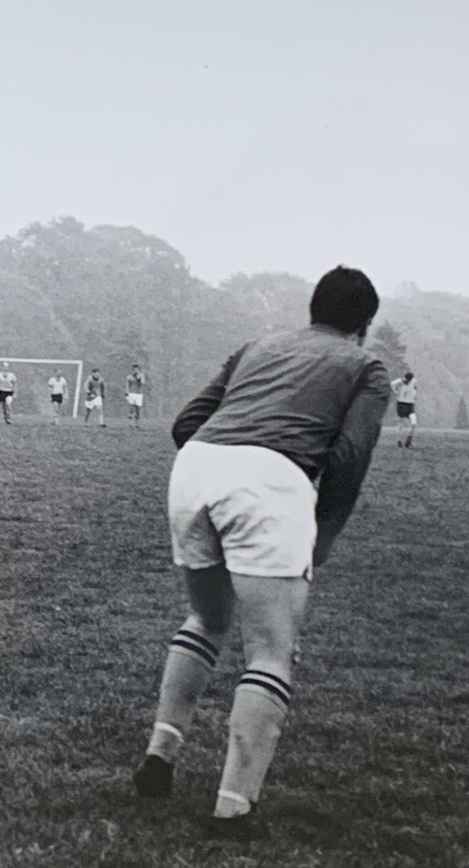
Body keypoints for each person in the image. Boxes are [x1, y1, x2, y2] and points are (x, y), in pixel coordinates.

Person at [132, 266, 392, 840]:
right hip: (270, 482)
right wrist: (323, 531)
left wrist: (218, 473)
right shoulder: (367, 366)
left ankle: (159, 756)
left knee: (205, 617)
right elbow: (349, 457)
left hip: (197, 465)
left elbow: (187, 422)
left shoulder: (259, 345)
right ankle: (233, 807)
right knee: (272, 650)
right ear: (365, 325)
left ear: (312, 308)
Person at [390, 372, 417, 447]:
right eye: (407, 380)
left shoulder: (414, 381)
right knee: (401, 423)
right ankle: (399, 441)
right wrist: (396, 392)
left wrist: (414, 395)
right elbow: (391, 384)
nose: (408, 381)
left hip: (410, 404)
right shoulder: (400, 381)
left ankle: (408, 441)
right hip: (401, 404)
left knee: (413, 423)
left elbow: (415, 388)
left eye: (409, 380)